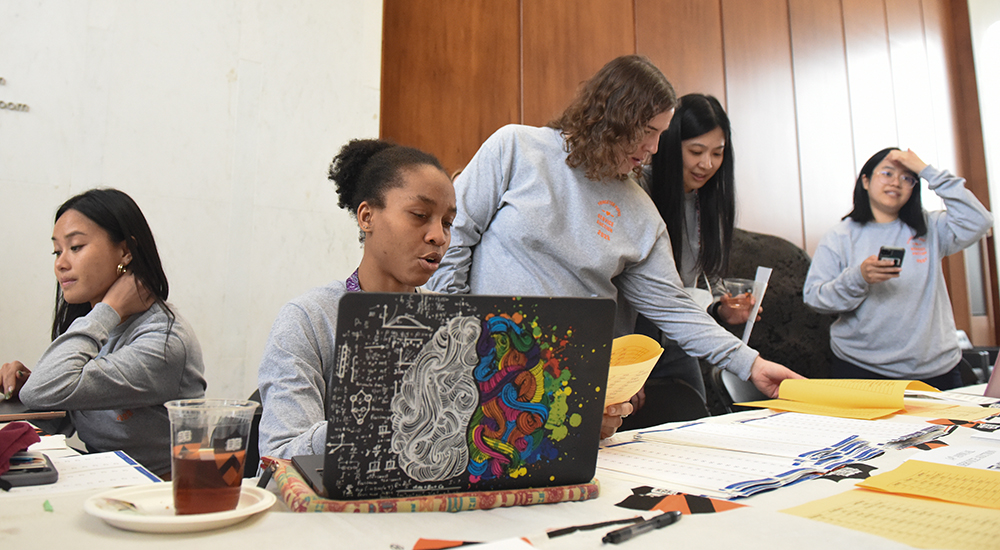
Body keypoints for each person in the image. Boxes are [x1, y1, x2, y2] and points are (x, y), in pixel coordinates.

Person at [425, 55, 803, 438]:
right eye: (649, 132)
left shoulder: (641, 214)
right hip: (485, 358)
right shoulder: (517, 148)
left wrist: (751, 364)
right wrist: (462, 336)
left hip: (570, 381)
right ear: (615, 117)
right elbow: (452, 238)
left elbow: (672, 307)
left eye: (662, 134)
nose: (655, 148)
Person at [257, 139, 457, 459]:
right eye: (420, 214)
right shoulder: (309, 320)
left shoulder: (454, 323)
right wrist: (372, 418)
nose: (439, 236)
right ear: (367, 217)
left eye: (447, 222)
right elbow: (278, 456)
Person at [0, 188, 206, 477]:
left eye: (75, 247)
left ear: (125, 251)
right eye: (57, 251)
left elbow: (45, 392)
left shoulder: (164, 341)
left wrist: (108, 308)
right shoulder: (97, 325)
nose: (61, 263)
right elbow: (61, 411)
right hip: (105, 480)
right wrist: (22, 390)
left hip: (158, 494)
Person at [803, 148, 993, 389]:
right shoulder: (840, 236)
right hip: (861, 368)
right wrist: (859, 277)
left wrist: (927, 171)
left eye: (907, 178)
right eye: (887, 173)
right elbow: (815, 298)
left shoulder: (930, 227)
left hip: (937, 369)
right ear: (865, 180)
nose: (896, 182)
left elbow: (980, 220)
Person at [628, 93, 757, 407]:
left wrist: (721, 308)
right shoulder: (636, 189)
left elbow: (695, 285)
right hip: (631, 339)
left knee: (695, 416)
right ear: (670, 146)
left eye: (718, 153)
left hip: (678, 340)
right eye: (696, 151)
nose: (707, 164)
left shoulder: (708, 202)